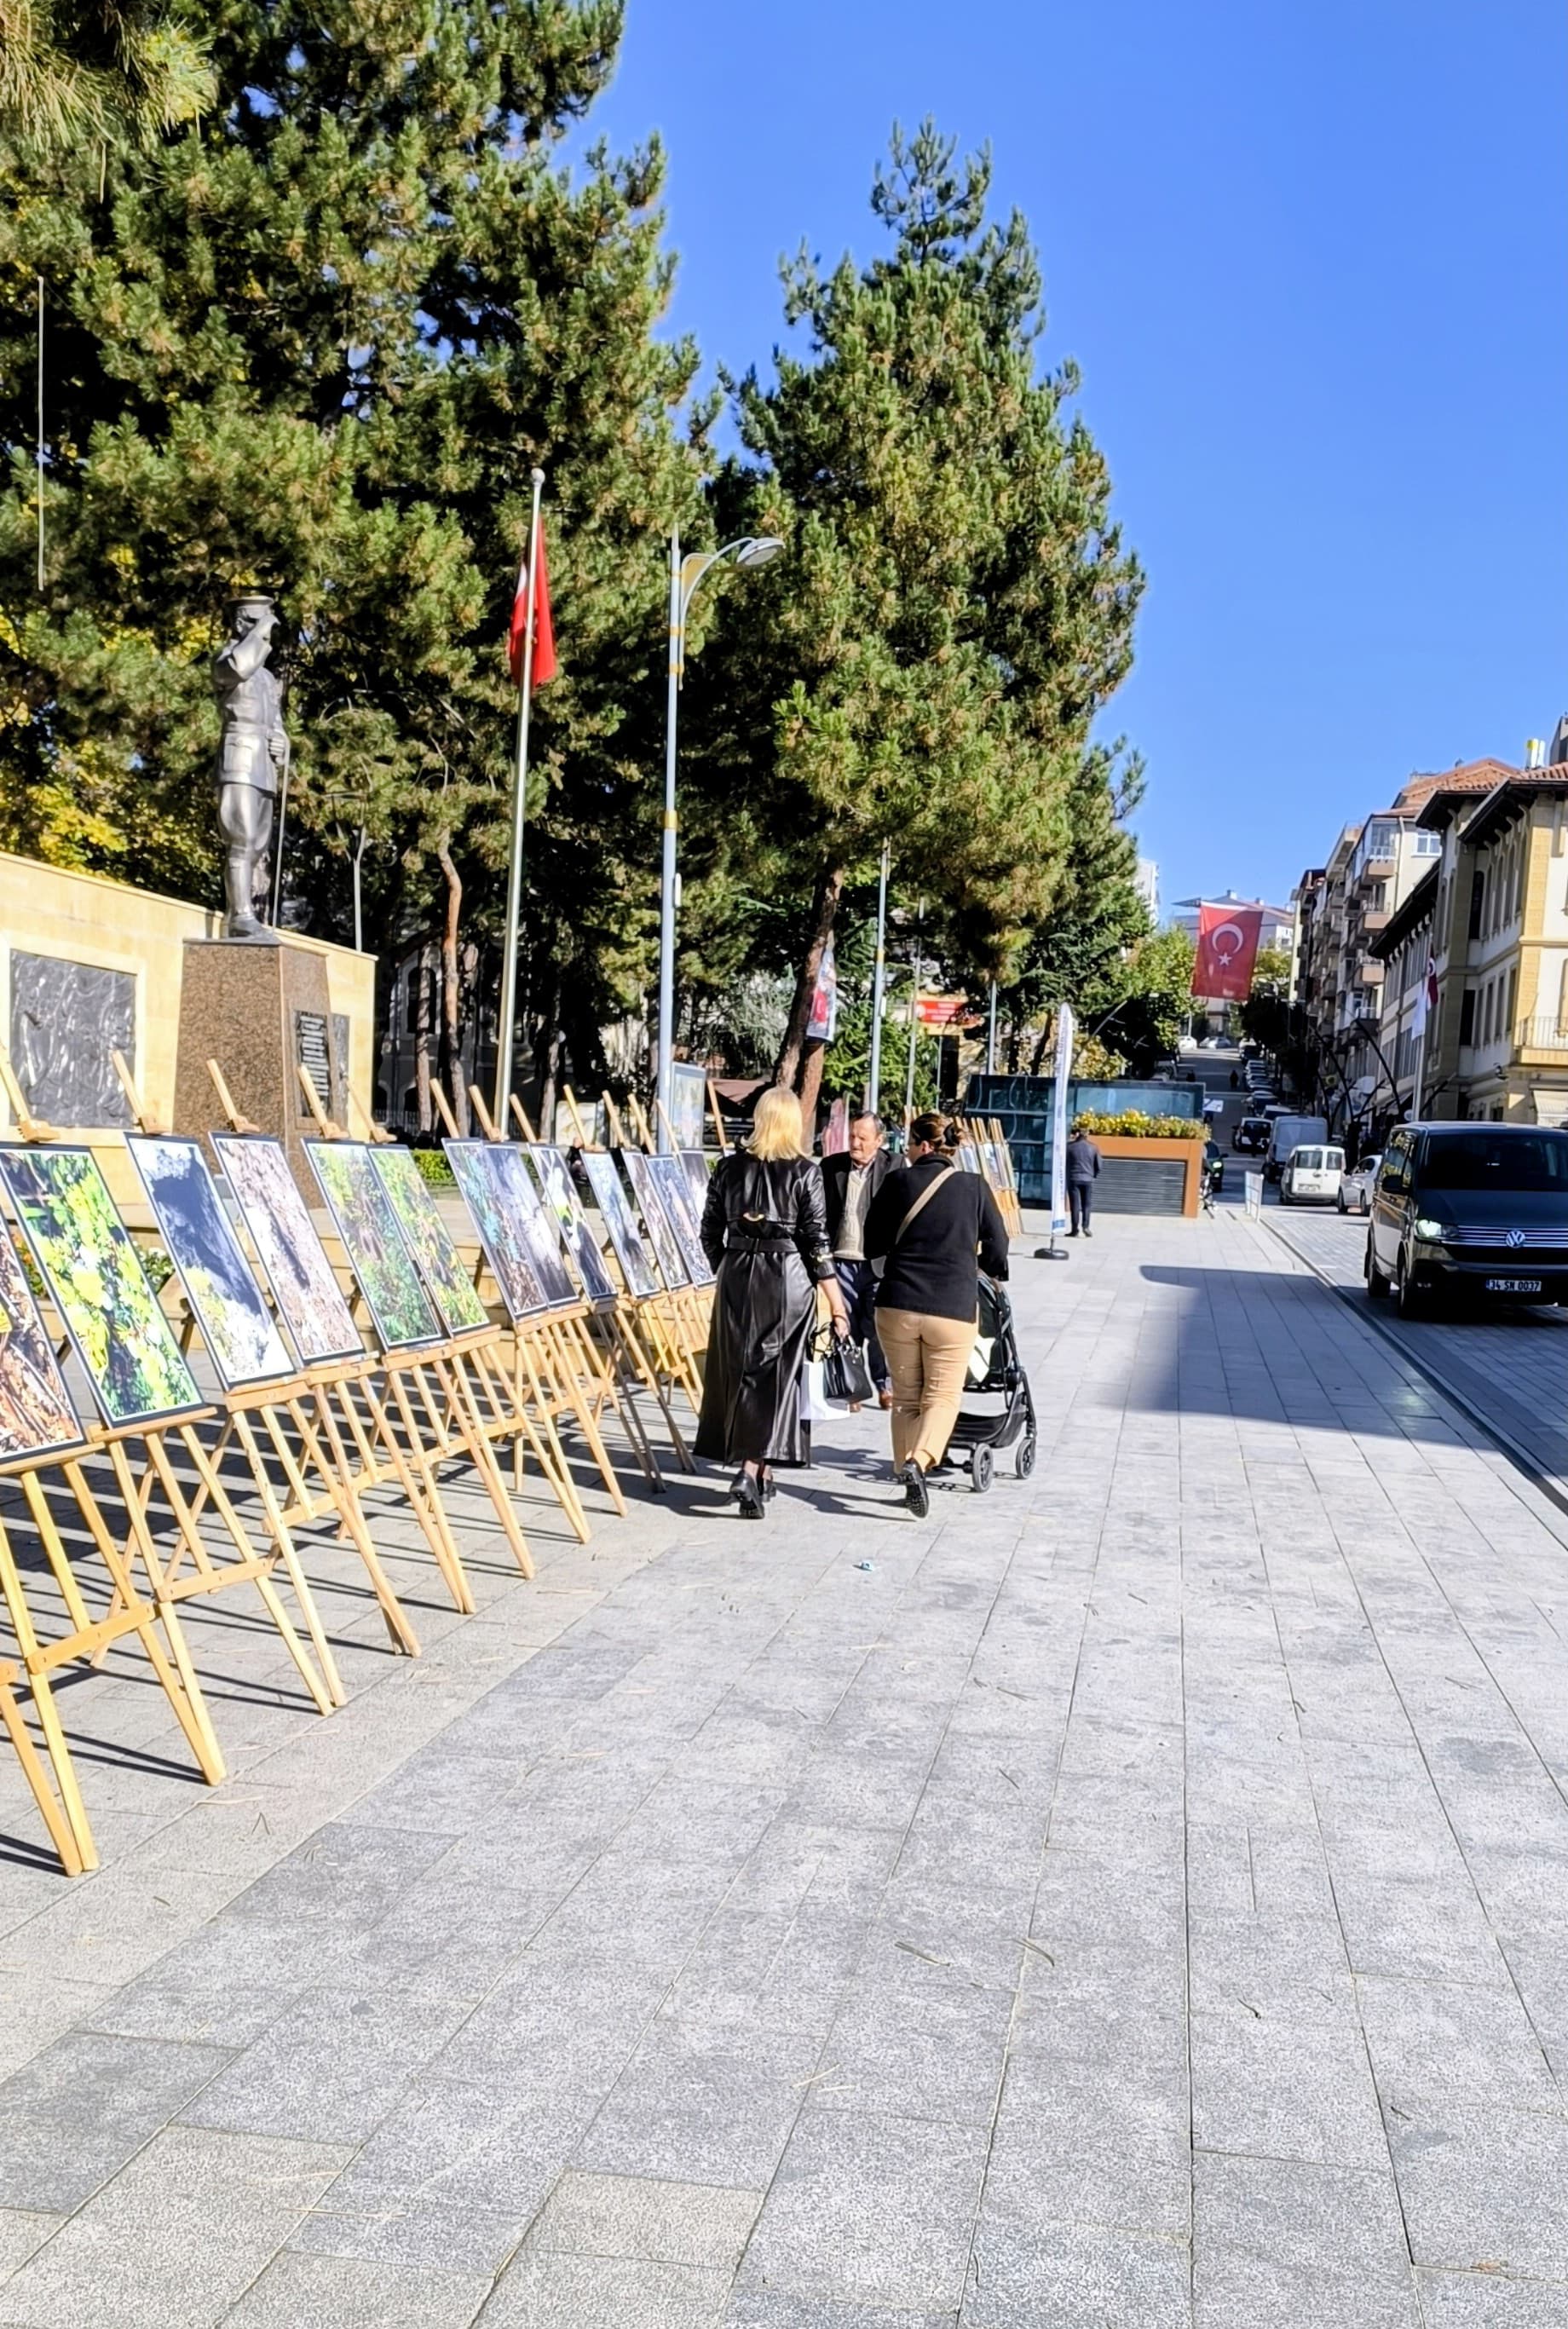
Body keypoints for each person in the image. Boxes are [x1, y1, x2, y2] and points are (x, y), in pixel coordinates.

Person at [697, 1085, 849, 1519]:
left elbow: (709, 1232)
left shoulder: (728, 1168)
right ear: (793, 1123)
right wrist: (837, 1304)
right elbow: (817, 1243)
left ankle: (759, 1470)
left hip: (737, 1276)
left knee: (740, 1372)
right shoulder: (805, 1172)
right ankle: (750, 1469)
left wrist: (728, 1266)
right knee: (776, 1380)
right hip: (787, 1281)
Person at [865, 1109, 1010, 1518]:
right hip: (952, 1307)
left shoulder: (897, 1182)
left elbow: (871, 1242)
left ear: (925, 1145)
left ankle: (905, 1470)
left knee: (906, 1397)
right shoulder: (974, 1186)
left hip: (897, 1304)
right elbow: (998, 1245)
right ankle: (920, 1461)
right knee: (943, 1396)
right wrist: (982, 1267)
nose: (907, 1152)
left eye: (909, 1144)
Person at [820, 1112, 896, 1410]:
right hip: (841, 1261)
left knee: (878, 1328)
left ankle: (884, 1384)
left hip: (877, 1264)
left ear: (879, 1140)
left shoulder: (894, 1167)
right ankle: (853, 1387)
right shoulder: (832, 1167)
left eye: (863, 1138)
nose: (855, 1143)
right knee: (845, 1326)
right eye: (852, 1136)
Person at [1066, 1121, 1101, 1237]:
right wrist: (1093, 1175)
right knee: (1087, 1204)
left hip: (1073, 1178)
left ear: (1077, 1134)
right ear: (1087, 1135)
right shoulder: (1094, 1147)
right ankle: (1086, 1227)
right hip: (1088, 1179)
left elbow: (1065, 1162)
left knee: (1075, 1205)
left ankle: (1074, 1229)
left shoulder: (1069, 1147)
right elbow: (1099, 1165)